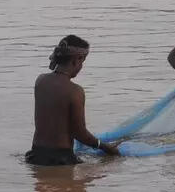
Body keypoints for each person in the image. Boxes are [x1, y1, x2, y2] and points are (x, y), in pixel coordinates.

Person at [25, 35, 120, 165]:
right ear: (77, 59)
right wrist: (105, 147)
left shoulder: (41, 81)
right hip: (61, 159)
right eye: (82, 62)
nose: (81, 67)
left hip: (35, 155)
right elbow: (80, 133)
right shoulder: (75, 91)